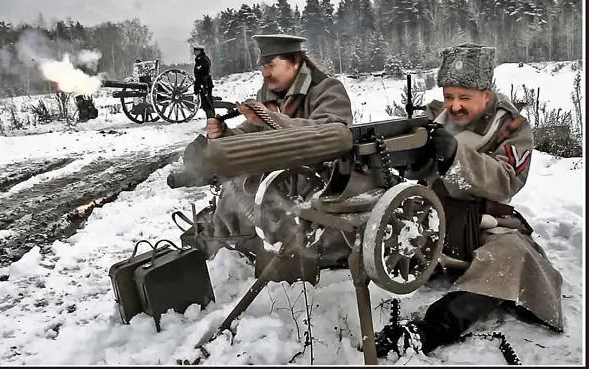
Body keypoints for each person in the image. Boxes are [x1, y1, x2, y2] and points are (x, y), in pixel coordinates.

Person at [374, 43, 564, 358]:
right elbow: (418, 170)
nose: (455, 106)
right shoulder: (434, 119)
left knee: (511, 255)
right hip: (433, 219)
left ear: (486, 94)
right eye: (449, 96)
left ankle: (432, 328)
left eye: (465, 98)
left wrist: (456, 157)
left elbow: (507, 181)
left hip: (481, 223)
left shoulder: (512, 128)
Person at [203, 34, 354, 267]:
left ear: (295, 62)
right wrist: (224, 134)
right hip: (282, 177)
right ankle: (232, 253)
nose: (265, 73)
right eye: (264, 67)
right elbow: (249, 132)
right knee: (234, 190)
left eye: (271, 66)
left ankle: (295, 256)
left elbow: (330, 132)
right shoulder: (269, 95)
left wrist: (269, 118)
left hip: (324, 177)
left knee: (281, 204)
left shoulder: (327, 89)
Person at [193, 45, 215, 119]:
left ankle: (212, 120)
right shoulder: (201, 59)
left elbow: (202, 73)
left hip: (205, 84)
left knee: (208, 103)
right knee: (206, 104)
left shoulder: (202, 59)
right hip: (204, 84)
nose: (194, 52)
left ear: (199, 51)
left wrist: (200, 84)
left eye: (195, 51)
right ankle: (211, 121)